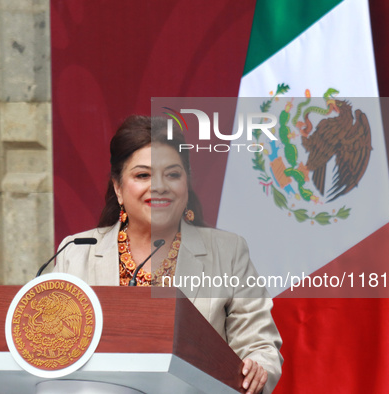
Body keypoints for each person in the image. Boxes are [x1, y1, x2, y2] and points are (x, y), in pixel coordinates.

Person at [54, 115, 282, 393]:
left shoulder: (228, 251)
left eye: (172, 174)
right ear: (118, 188)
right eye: (142, 175)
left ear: (186, 184)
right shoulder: (76, 252)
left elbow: (260, 346)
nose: (159, 186)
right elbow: (50, 343)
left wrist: (256, 366)